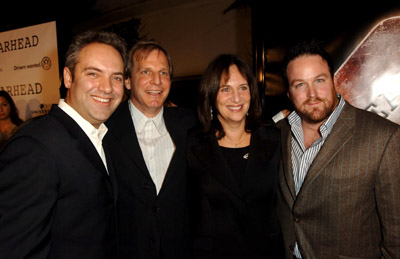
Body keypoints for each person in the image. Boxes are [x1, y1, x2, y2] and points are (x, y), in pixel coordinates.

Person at [0, 30, 127, 258]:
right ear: (68, 78)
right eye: (93, 74)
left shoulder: (100, 136)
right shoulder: (34, 147)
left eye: (116, 77)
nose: (107, 87)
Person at [276, 40, 400, 258]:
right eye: (300, 85)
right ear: (289, 93)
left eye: (319, 80)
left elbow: (396, 235)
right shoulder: (279, 132)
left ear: (334, 82)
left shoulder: (384, 137)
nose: (312, 93)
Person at [104, 40, 197, 259]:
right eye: (146, 71)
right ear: (127, 80)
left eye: (163, 73)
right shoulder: (105, 129)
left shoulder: (190, 123)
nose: (157, 81)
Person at [186, 54, 285, 259]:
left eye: (243, 87)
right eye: (225, 89)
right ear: (211, 95)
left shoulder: (275, 140)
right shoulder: (192, 144)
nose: (237, 98)